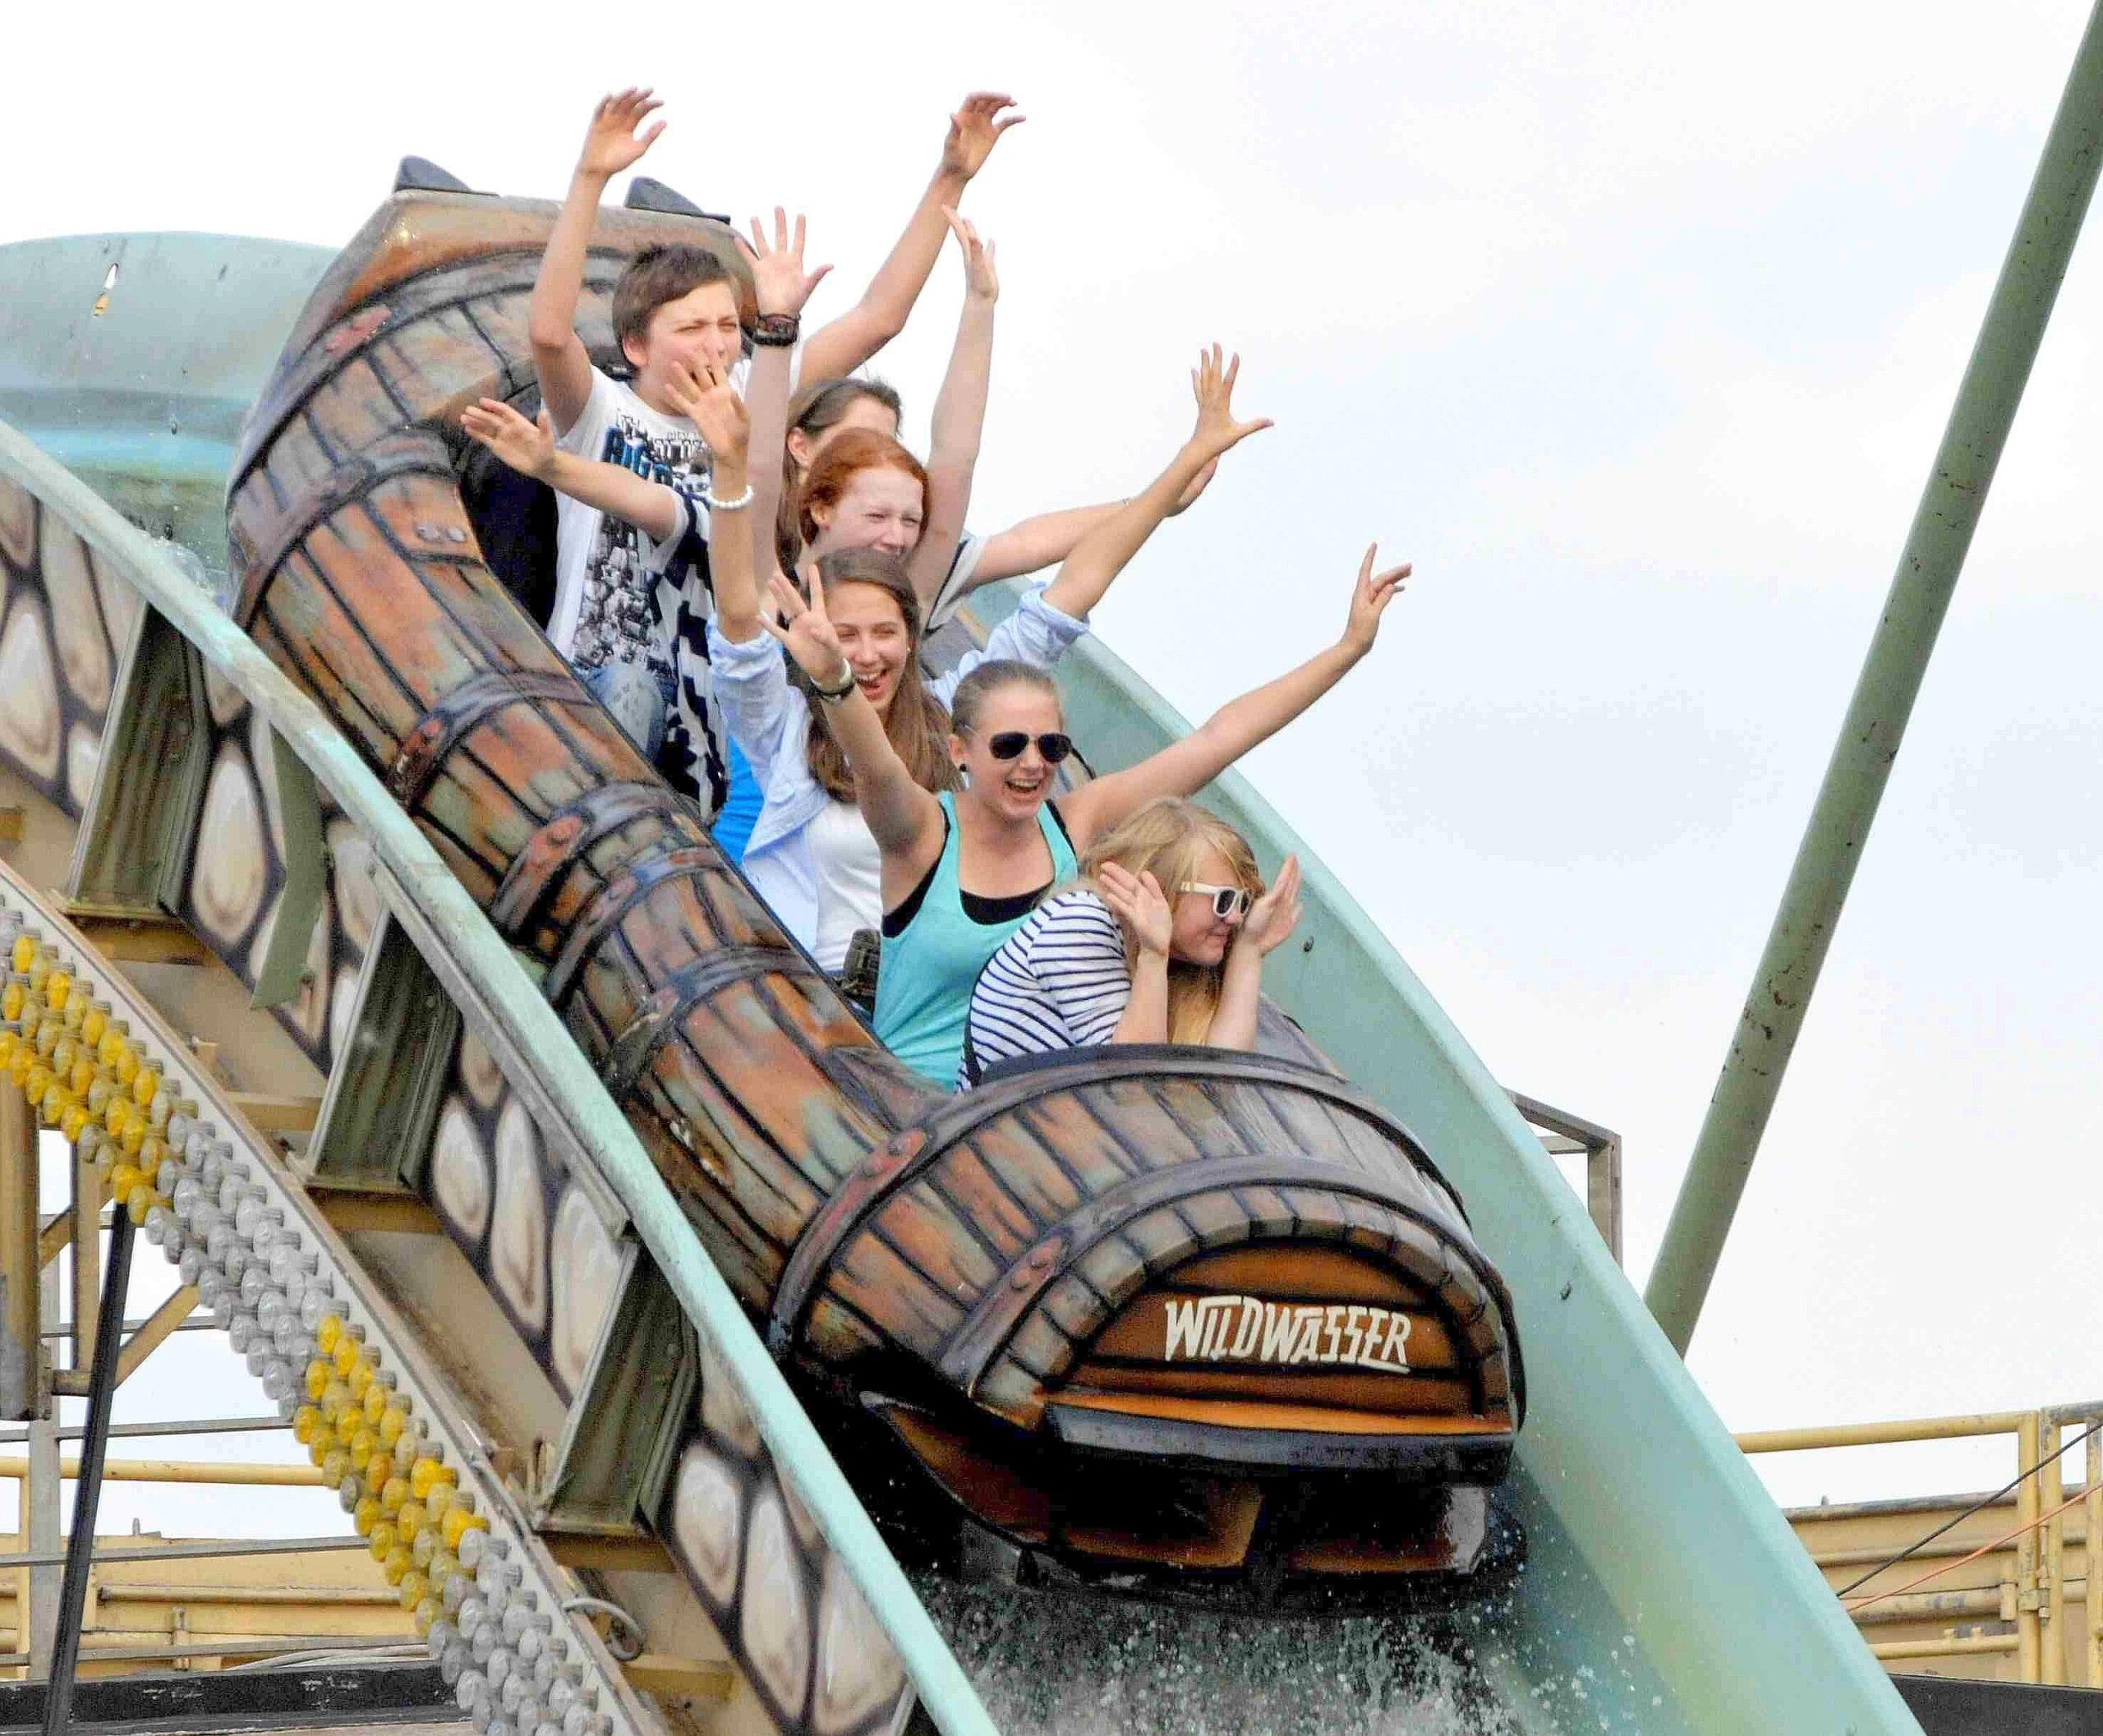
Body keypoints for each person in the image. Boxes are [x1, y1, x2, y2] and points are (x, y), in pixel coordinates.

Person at [764, 400, 1410, 1082]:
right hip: (915, 1104)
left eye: (1052, 748)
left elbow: (1217, 739)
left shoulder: (1074, 823)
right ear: (961, 754)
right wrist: (834, 676)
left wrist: (1346, 651)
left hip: (1034, 1109)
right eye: (1010, 746)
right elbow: (874, 764)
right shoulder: (920, 831)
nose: (1033, 763)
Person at [523, 87, 1024, 808]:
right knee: (631, 692)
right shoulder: (603, 412)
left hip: (710, 711)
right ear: (636, 343)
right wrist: (590, 180)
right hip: (603, 689)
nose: (718, 344)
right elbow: (548, 333)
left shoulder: (747, 404)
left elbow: (880, 317)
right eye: (691, 329)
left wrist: (951, 178)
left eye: (729, 326)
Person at [716, 346, 1276, 975]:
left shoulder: (944, 716)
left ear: (911, 638)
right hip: (780, 973)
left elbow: (1070, 591)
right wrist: (731, 467)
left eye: (885, 634)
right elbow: (740, 614)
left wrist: (1184, 464)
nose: (865, 654)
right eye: (846, 635)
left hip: (902, 999)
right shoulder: (784, 721)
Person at [958, 799, 1304, 1086]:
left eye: (1243, 902)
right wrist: (1153, 958)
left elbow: (1218, 1082)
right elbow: (1134, 1090)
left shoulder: (1183, 963)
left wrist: (1249, 951)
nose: (1235, 918)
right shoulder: (1081, 921)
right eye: (1223, 900)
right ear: (1161, 887)